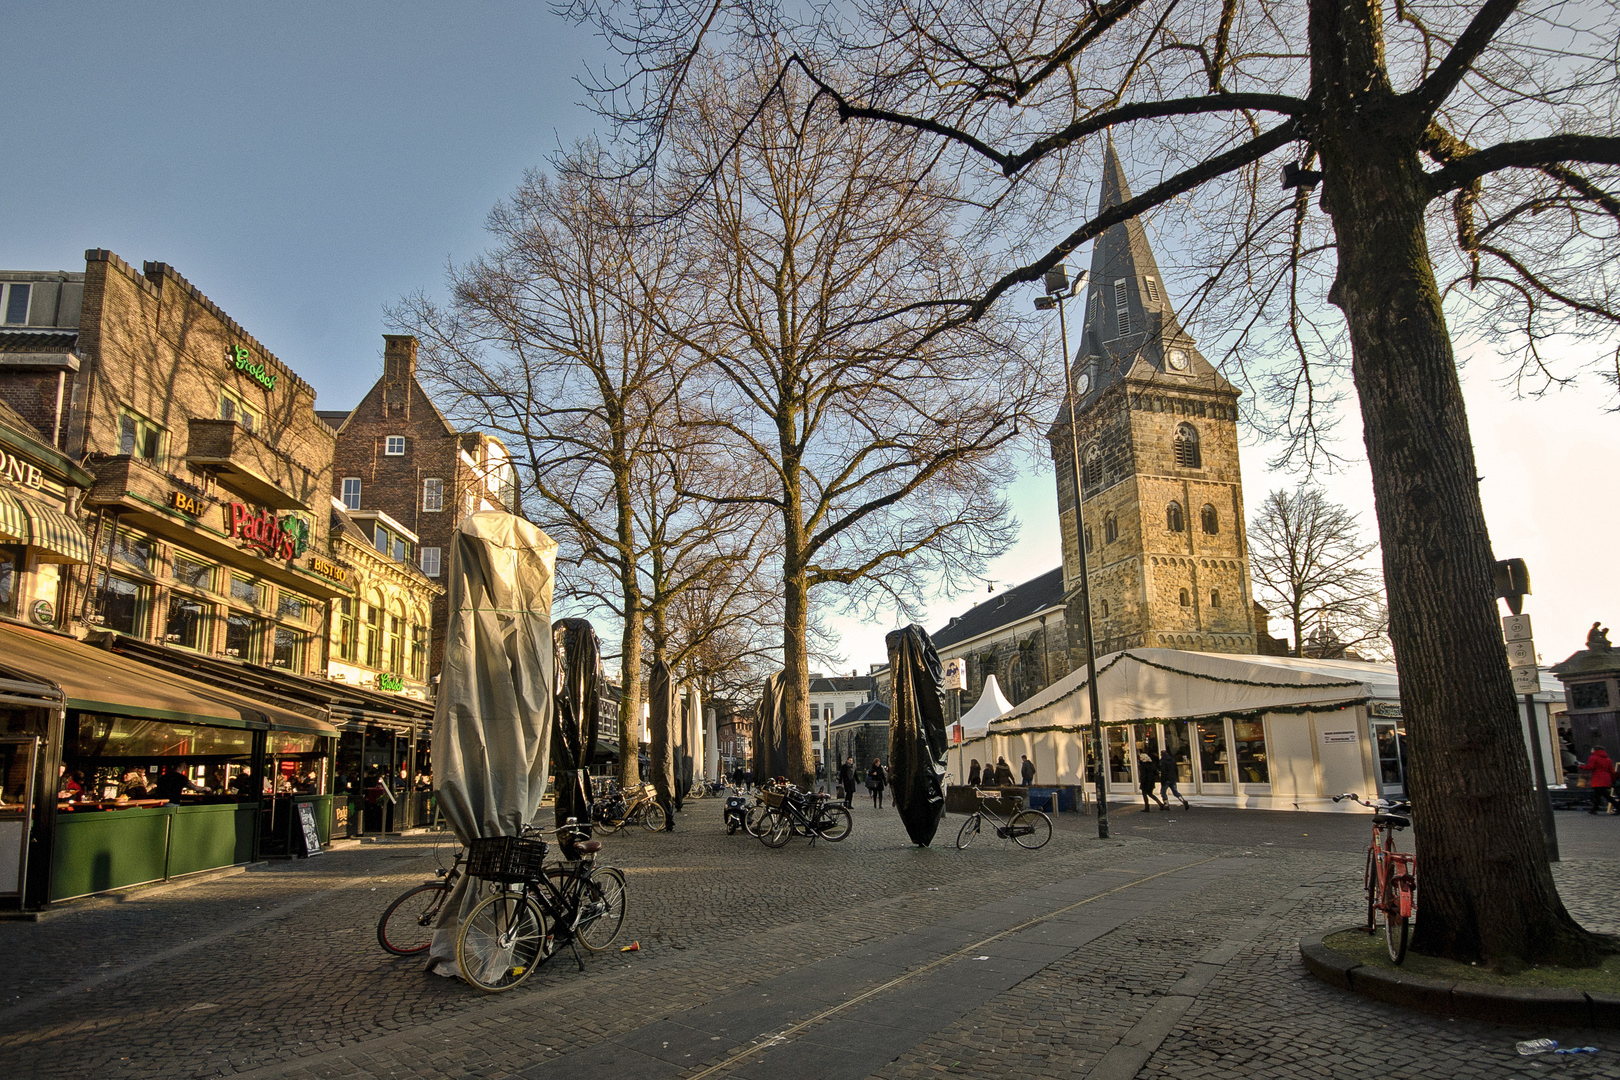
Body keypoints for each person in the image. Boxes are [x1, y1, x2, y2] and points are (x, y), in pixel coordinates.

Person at [1580, 746, 1614, 815]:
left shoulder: (1593, 757)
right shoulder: (1608, 759)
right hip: (1606, 778)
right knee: (1598, 794)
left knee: (1604, 795)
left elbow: (1590, 767)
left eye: (1592, 749)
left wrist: (1581, 766)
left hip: (1598, 778)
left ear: (1595, 750)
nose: (1591, 750)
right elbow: (1611, 770)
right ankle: (1594, 809)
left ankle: (1618, 806)